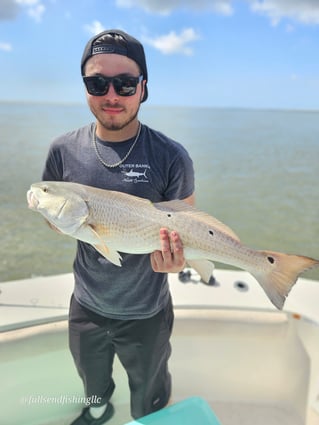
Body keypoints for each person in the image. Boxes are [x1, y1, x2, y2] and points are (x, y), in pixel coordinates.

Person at [42, 29, 195, 425]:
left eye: (125, 83)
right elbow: (59, 221)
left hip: (148, 311)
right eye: (98, 82)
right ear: (86, 87)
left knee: (149, 393)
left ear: (143, 88)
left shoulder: (171, 156)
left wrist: (178, 263)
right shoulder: (62, 150)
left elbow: (189, 229)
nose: (112, 95)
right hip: (87, 305)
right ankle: (98, 411)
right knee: (91, 382)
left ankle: (149, 417)